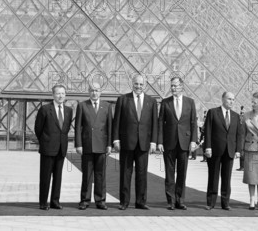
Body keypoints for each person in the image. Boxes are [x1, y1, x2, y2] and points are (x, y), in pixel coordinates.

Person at [112, 74, 158, 210]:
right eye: (136, 84)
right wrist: (116, 139)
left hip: (144, 143)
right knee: (125, 174)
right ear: (132, 83)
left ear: (145, 85)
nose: (138, 86)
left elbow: (154, 123)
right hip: (126, 142)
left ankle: (141, 202)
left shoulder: (152, 101)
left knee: (142, 174)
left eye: (141, 84)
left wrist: (153, 142)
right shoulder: (123, 99)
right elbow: (117, 122)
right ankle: (124, 202)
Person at [157, 76, 198, 210]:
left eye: (175, 86)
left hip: (184, 143)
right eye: (172, 86)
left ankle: (180, 200)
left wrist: (193, 141)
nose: (173, 88)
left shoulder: (190, 102)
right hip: (169, 143)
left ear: (182, 86)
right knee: (169, 173)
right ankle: (171, 201)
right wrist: (160, 141)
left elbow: (193, 123)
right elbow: (160, 123)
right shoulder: (165, 102)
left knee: (182, 173)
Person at [74, 82, 113, 210]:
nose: (94, 93)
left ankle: (100, 200)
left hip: (101, 145)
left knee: (100, 174)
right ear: (88, 91)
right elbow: (78, 127)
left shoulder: (107, 106)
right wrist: (78, 144)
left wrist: (109, 145)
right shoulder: (82, 105)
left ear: (100, 91)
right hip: (87, 145)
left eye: (97, 90)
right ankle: (85, 200)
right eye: (92, 90)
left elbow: (109, 127)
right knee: (87, 175)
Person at [34, 84, 73, 210]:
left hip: (61, 149)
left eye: (63, 93)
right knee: (45, 177)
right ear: (53, 95)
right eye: (58, 93)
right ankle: (43, 202)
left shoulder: (69, 110)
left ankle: (55, 201)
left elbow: (65, 129)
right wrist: (45, 141)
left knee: (58, 177)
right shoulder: (45, 109)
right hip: (48, 148)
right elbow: (38, 129)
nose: (61, 96)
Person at [204, 91, 243, 210]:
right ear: (222, 99)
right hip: (215, 150)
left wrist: (238, 150)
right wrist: (208, 147)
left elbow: (239, 134)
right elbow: (208, 131)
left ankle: (225, 203)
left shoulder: (236, 116)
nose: (231, 101)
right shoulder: (213, 112)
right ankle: (211, 203)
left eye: (233, 99)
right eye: (229, 99)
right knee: (213, 176)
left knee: (227, 178)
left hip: (230, 150)